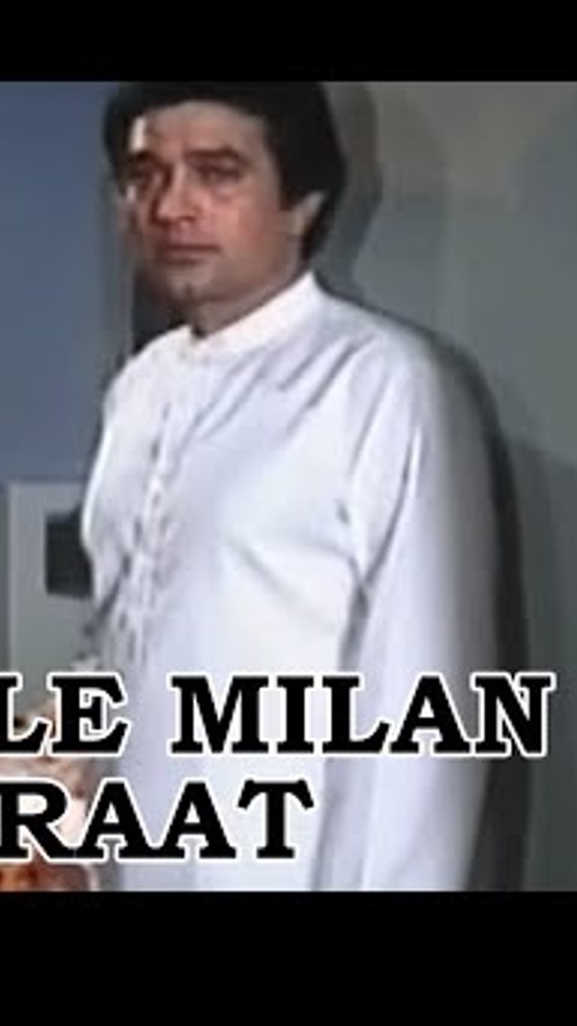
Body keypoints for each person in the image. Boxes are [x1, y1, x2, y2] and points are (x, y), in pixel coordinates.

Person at [80, 82, 499, 891]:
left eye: (217, 173)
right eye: (145, 176)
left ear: (301, 203)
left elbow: (425, 710)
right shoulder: (139, 390)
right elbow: (127, 633)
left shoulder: (380, 386)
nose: (171, 207)